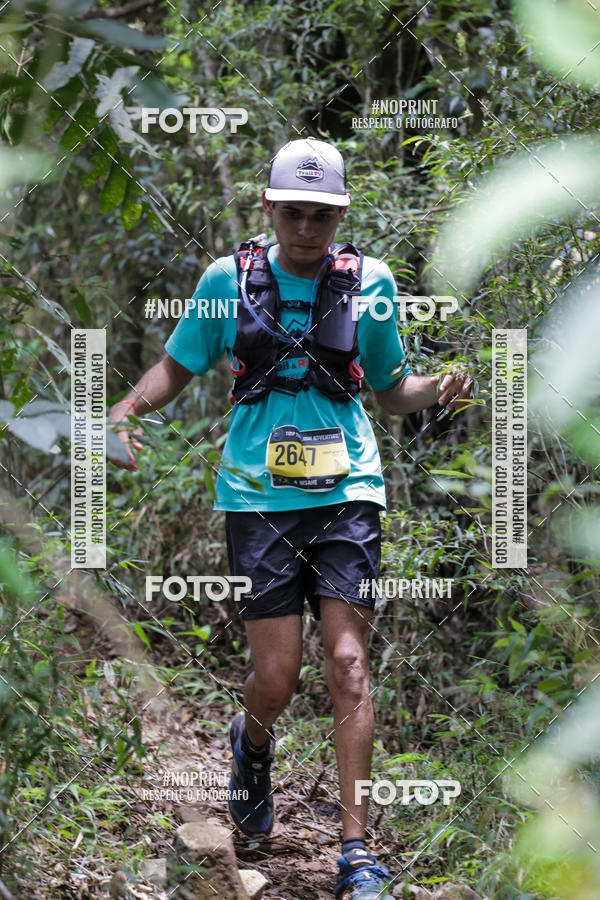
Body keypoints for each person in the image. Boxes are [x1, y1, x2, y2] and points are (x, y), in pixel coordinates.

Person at [109, 137, 472, 899]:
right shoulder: (227, 282)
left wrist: (437, 387)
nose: (308, 227)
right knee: (276, 676)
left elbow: (391, 388)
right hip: (257, 496)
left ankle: (356, 851)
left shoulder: (369, 281)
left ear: (340, 215)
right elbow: (177, 364)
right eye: (295, 211)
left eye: (323, 215)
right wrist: (128, 411)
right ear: (270, 207)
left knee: (348, 664)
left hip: (349, 490)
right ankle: (253, 740)